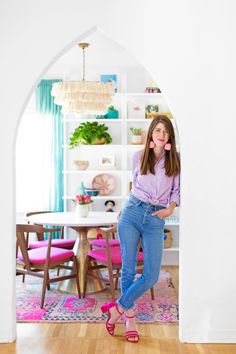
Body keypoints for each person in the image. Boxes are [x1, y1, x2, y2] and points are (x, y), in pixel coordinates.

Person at [101, 115, 180, 343]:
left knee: (151, 274)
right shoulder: (139, 157)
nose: (161, 134)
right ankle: (130, 320)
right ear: (151, 134)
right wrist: (124, 208)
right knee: (127, 270)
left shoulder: (175, 160)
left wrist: (170, 208)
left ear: (169, 136)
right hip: (132, 212)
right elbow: (134, 185)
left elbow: (175, 191)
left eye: (165, 131)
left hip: (156, 218)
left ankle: (116, 308)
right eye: (157, 130)